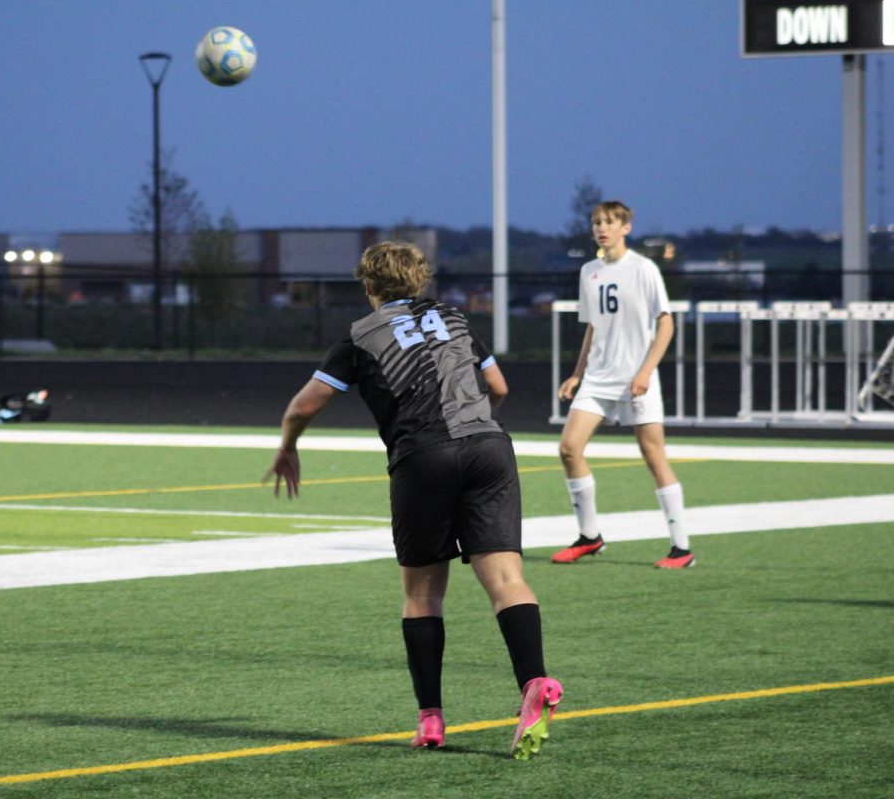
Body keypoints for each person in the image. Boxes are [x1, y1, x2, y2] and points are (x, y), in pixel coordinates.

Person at [266, 241, 562, 759]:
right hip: (489, 448)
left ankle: (431, 720)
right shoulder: (455, 319)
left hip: (423, 457)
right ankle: (533, 681)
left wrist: (288, 445)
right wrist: (475, 422)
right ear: (421, 281)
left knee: (423, 594)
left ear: (368, 286)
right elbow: (498, 384)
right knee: (508, 580)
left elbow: (306, 402)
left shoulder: (361, 334)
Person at [552, 201, 693, 569]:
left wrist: (645, 372)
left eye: (610, 222)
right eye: (597, 222)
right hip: (598, 378)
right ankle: (590, 537)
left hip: (636, 379)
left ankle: (681, 548)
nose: (602, 227)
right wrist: (577, 373)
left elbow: (666, 324)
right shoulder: (590, 272)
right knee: (569, 448)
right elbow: (593, 327)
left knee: (653, 458)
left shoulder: (644, 269)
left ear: (626, 228)